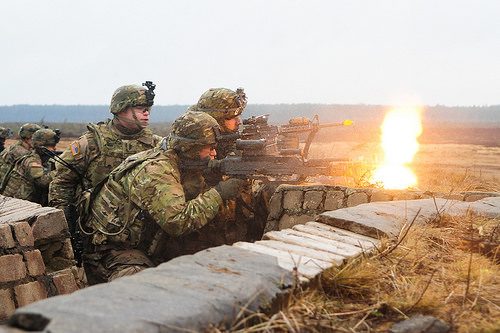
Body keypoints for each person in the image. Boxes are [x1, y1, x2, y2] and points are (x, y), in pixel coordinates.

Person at [81, 111, 245, 283]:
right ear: (191, 149)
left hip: (146, 246)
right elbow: (177, 222)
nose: (214, 154)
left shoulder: (176, 161)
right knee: (143, 287)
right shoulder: (157, 170)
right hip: (114, 253)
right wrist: (218, 193)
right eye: (209, 147)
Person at [48, 82, 161, 220]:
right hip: (95, 228)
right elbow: (62, 183)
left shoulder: (156, 145)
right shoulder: (91, 143)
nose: (146, 113)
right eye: (140, 108)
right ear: (121, 109)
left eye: (148, 109)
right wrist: (64, 222)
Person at [0, 129, 58, 204]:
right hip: (14, 203)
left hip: (17, 200)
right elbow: (42, 181)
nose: (54, 149)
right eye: (52, 146)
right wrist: (59, 171)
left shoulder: (35, 157)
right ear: (42, 147)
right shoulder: (31, 160)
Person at [188, 87, 246, 160]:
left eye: (239, 116)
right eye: (232, 117)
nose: (239, 122)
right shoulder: (197, 147)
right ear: (216, 119)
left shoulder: (227, 142)